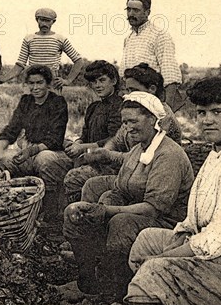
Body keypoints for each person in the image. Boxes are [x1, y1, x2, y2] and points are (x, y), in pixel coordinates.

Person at [125, 78, 221, 305]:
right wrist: (176, 243)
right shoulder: (220, 150)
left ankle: (152, 298)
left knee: (153, 272)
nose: (207, 120)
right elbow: (198, 220)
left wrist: (165, 258)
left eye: (217, 112)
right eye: (201, 112)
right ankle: (170, 302)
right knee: (146, 241)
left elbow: (219, 240)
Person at [62, 91, 194, 302]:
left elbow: (153, 208)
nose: (128, 127)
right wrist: (103, 204)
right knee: (79, 213)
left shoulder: (168, 154)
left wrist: (107, 211)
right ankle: (87, 281)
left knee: (121, 223)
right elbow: (119, 189)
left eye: (134, 121)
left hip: (166, 222)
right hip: (137, 211)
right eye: (125, 122)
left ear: (153, 119)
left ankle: (116, 292)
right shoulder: (138, 150)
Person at [64, 63, 182, 204]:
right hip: (130, 170)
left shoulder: (162, 117)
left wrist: (108, 155)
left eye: (134, 90)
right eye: (128, 90)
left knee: (90, 185)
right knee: (85, 180)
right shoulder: (136, 110)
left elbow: (145, 158)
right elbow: (117, 139)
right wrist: (105, 150)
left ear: (152, 89)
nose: (130, 95)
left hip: (151, 178)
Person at [0, 64, 72, 223]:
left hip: (51, 151)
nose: (35, 87)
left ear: (47, 83)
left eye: (39, 83)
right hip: (29, 150)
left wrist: (30, 151)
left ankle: (50, 213)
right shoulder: (26, 101)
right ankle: (6, 210)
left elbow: (55, 138)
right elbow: (13, 128)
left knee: (44, 160)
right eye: (31, 83)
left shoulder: (58, 102)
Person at [122, 0, 185, 112]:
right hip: (134, 104)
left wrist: (166, 113)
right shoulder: (128, 38)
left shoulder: (159, 36)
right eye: (128, 10)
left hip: (153, 103)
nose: (131, 14)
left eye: (136, 10)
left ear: (147, 12)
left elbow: (170, 77)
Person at [0, 8, 87, 89]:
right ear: (37, 20)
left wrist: (68, 80)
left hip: (51, 83)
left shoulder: (60, 39)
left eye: (48, 21)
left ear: (53, 21)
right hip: (32, 81)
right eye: (41, 20)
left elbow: (78, 60)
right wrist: (4, 78)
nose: (44, 24)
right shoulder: (29, 39)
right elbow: (20, 64)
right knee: (29, 106)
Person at [64, 60, 123, 159]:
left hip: (106, 159)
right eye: (94, 82)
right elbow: (85, 135)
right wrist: (77, 143)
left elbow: (114, 139)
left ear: (114, 81)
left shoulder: (119, 106)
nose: (97, 85)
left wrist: (82, 147)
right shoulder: (94, 107)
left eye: (102, 80)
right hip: (87, 155)